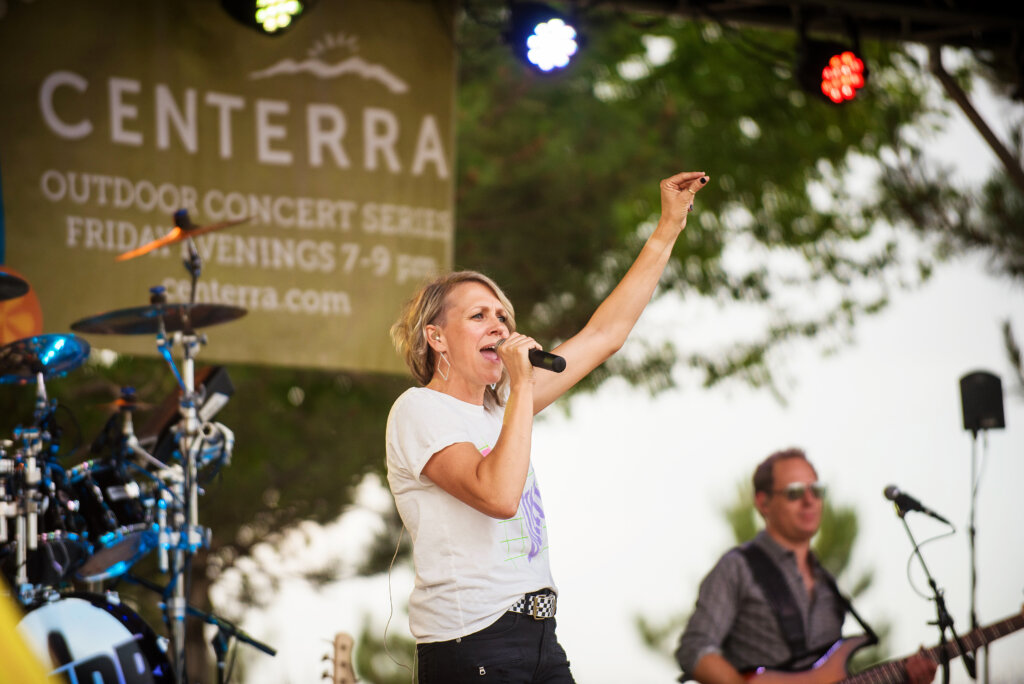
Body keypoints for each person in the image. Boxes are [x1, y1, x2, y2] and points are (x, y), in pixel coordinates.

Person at [385, 170, 708, 683]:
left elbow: (605, 334)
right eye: (478, 317)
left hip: (538, 634)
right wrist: (522, 386)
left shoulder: (503, 405)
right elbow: (498, 496)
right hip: (474, 643)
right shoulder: (418, 410)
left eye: (503, 316)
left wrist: (668, 226)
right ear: (437, 338)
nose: (499, 326)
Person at [675, 448, 938, 684]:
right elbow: (694, 647)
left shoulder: (827, 584)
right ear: (763, 503)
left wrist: (907, 679)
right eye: (795, 492)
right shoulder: (737, 567)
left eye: (816, 490)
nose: (809, 500)